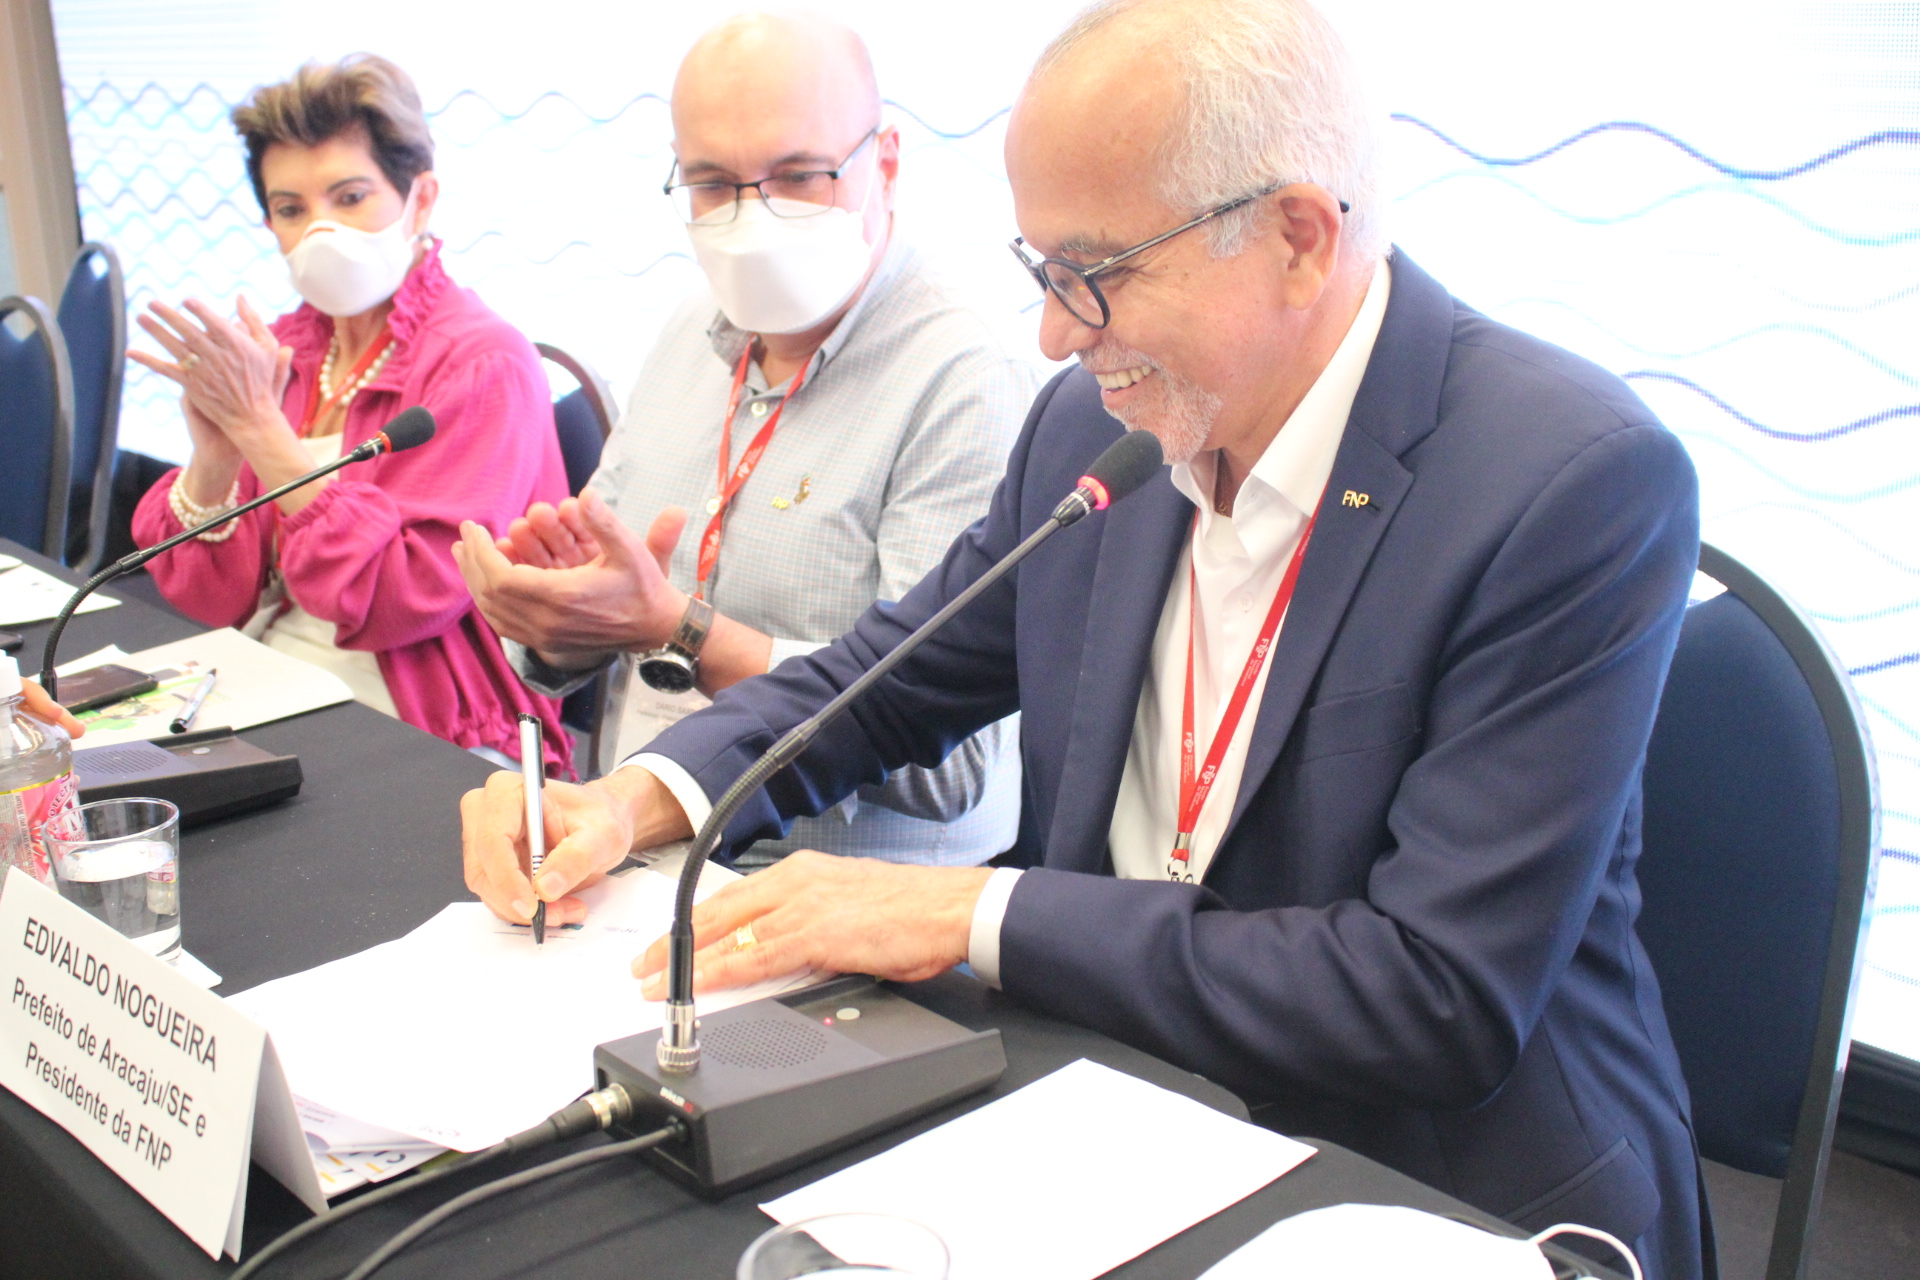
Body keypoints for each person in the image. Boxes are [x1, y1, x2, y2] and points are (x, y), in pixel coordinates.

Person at [460, 1, 1708, 1276]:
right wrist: (638, 798)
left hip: (1426, 1184)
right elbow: (886, 681)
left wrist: (968, 908)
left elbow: (1428, 993)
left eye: (1095, 272)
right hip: (1112, 1110)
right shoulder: (1091, 425)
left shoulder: (1565, 481)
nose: (1056, 333)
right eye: (1040, 270)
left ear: (1297, 238)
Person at [454, 11, 1032, 863]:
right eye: (714, 185)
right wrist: (558, 618)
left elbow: (949, 768)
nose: (751, 217)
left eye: (797, 176)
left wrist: (679, 630)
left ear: (886, 164)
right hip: (638, 841)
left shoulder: (964, 374)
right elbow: (598, 619)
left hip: (834, 894)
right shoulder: (689, 328)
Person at [130, 55, 572, 771]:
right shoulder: (285, 353)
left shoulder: (484, 363)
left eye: (350, 197)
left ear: (419, 200)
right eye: (292, 209)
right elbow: (211, 601)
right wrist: (216, 455)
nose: (321, 231)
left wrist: (263, 433)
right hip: (264, 684)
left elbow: (403, 599)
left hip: (426, 725)